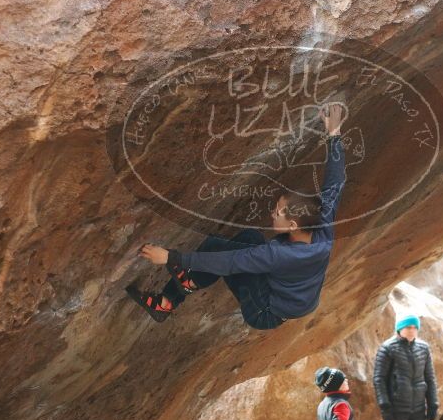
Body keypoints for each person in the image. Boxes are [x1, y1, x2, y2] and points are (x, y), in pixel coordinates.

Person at [126, 102, 347, 329]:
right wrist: (334, 133)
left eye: (278, 212)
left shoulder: (280, 254)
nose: (272, 213)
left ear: (292, 225)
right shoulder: (322, 224)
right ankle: (175, 294)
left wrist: (172, 258)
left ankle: (182, 286)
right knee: (250, 237)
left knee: (216, 247)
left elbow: (231, 262)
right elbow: (335, 183)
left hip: (264, 311)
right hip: (291, 298)